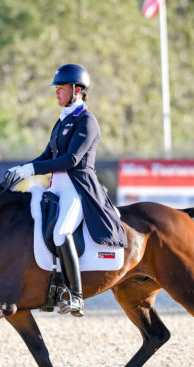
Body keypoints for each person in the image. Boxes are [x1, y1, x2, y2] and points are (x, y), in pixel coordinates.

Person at [7, 63, 127, 317]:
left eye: (61, 88)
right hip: (56, 186)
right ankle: (51, 290)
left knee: (61, 233)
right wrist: (24, 168)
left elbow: (71, 160)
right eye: (57, 88)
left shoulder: (86, 121)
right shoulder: (62, 119)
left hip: (77, 187)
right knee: (36, 227)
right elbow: (48, 154)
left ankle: (76, 295)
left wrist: (32, 170)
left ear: (77, 90)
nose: (56, 92)